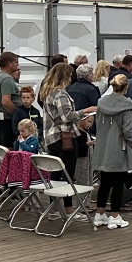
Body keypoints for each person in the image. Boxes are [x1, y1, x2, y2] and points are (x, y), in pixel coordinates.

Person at [39, 63, 96, 222]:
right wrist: (86, 111)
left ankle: (54, 209)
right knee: (68, 175)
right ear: (65, 76)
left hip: (51, 137)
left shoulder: (48, 92)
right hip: (65, 138)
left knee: (55, 175)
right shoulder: (60, 93)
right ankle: (69, 210)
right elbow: (67, 116)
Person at [92, 74, 132, 230]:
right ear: (126, 87)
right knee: (118, 183)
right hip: (119, 147)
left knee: (104, 181)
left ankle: (99, 214)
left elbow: (97, 124)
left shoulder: (101, 102)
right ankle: (115, 216)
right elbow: (128, 130)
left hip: (103, 146)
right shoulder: (126, 105)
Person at [0, 52, 22, 148]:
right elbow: (6, 101)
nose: (17, 65)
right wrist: (17, 114)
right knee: (9, 147)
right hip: (7, 118)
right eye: (16, 62)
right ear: (9, 64)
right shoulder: (7, 79)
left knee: (2, 146)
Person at [68, 63, 101, 130]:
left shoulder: (71, 87)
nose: (93, 75)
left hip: (75, 120)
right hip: (88, 121)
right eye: (92, 73)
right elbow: (96, 106)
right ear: (87, 76)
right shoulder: (90, 89)